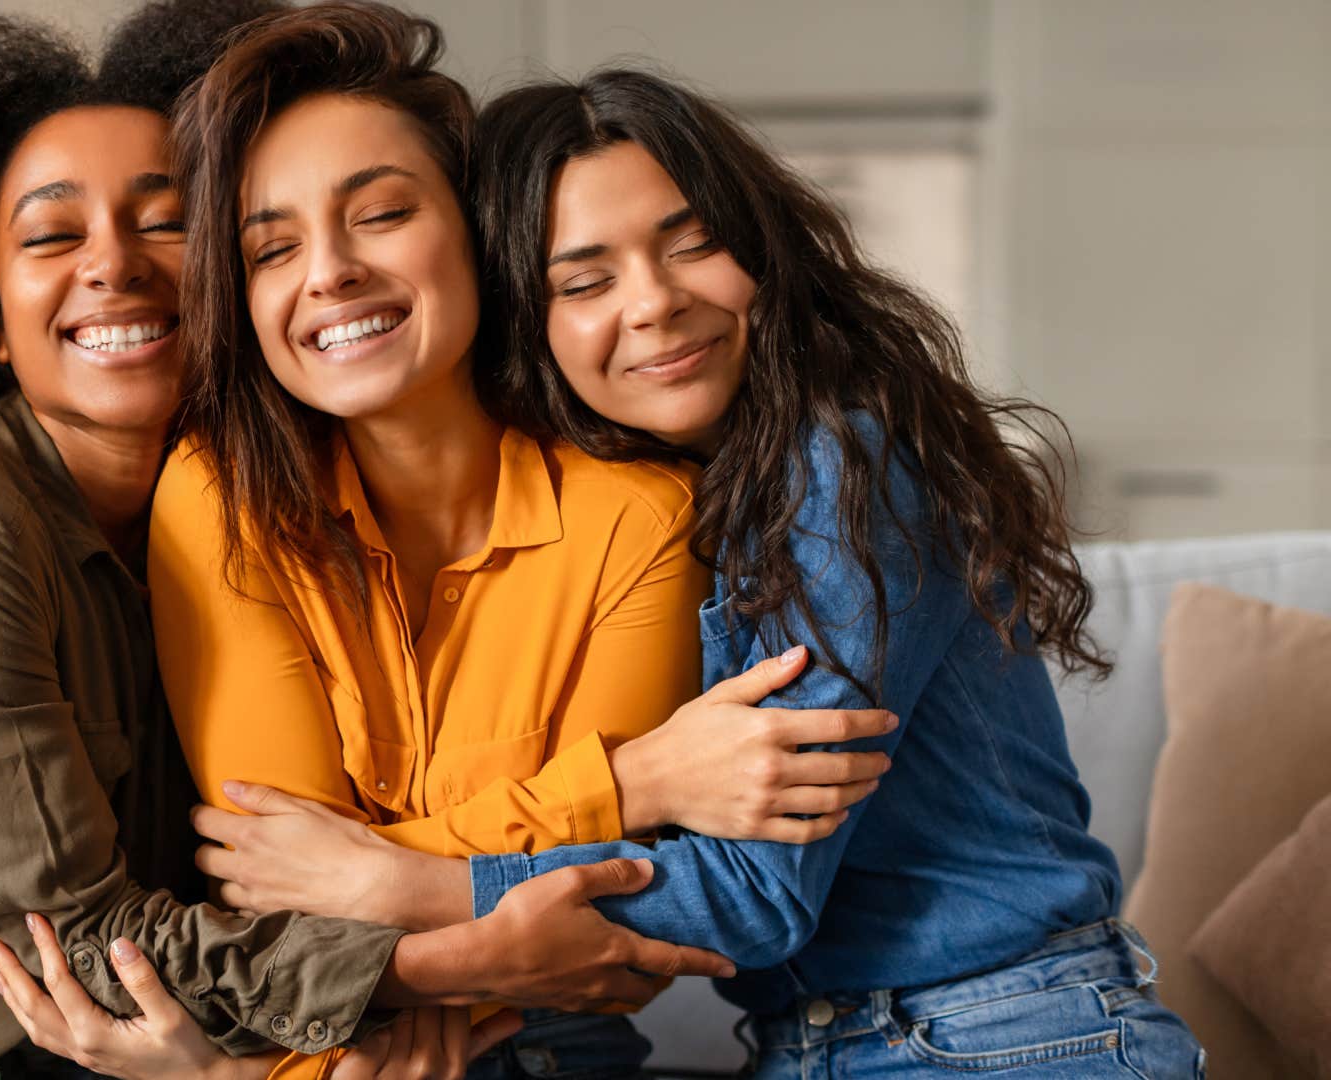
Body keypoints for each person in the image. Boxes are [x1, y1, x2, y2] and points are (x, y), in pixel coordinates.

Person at [0, 12, 728, 1080]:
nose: (114, 266)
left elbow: (244, 898)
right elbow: (77, 937)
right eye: (54, 236)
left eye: (165, 223)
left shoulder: (198, 515)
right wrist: (447, 959)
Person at [179, 68, 1208, 1078]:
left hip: (1008, 1036)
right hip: (839, 1046)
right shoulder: (688, 500)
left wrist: (409, 886)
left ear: (763, 255)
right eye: (584, 281)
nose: (655, 303)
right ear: (526, 323)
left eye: (693, 245)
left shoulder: (842, 465)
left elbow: (755, 896)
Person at [0, 6, 892, 1079]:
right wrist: (629, 782)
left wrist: (375, 875)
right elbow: (284, 902)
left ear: (474, 232)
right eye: (273, 247)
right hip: (311, 1054)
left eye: (380, 214)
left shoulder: (639, 515)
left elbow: (615, 941)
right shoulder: (222, 495)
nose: (327, 273)